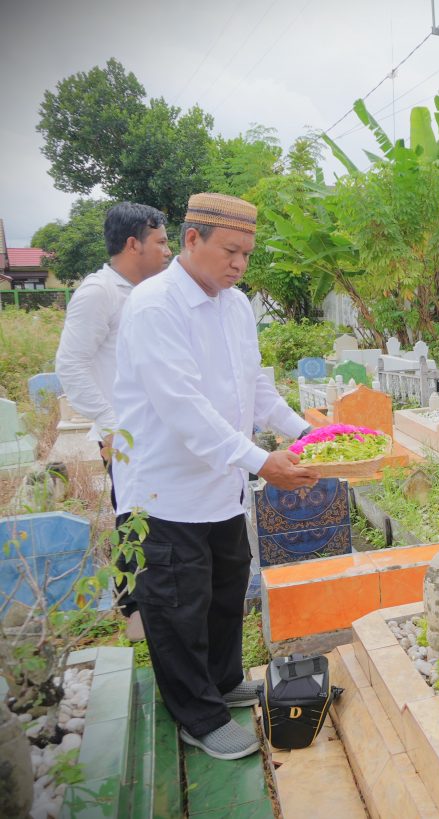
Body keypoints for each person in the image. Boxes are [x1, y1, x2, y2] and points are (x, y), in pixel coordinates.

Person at [112, 192, 318, 760]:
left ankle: (224, 683)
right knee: (177, 605)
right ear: (191, 239)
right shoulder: (156, 306)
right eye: (230, 251)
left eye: (247, 255)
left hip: (221, 485)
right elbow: (183, 408)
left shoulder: (236, 305)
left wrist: (304, 433)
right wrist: (259, 461)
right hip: (165, 490)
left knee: (226, 589)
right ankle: (197, 717)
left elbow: (255, 389)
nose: (239, 265)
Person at [55, 202, 172, 642]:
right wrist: (109, 425)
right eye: (159, 241)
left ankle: (157, 607)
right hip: (125, 437)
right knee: (135, 520)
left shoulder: (148, 292)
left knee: (158, 520)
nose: (166, 251)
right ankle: (137, 616)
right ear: (132, 243)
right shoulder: (99, 292)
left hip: (155, 433)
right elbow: (71, 365)